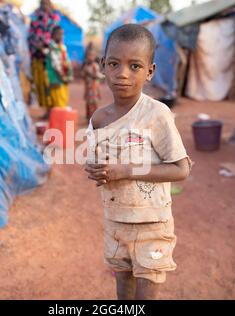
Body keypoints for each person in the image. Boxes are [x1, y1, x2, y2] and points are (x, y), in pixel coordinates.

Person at [85, 24, 193, 300]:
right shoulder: (98, 119)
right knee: (122, 282)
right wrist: (97, 170)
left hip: (152, 223)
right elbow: (99, 163)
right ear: (102, 66)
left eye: (134, 66)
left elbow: (181, 169)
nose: (122, 73)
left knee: (146, 291)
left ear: (150, 72)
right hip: (115, 220)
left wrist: (125, 171)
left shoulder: (156, 114)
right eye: (114, 63)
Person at [27, 0, 60, 116]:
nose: (45, 6)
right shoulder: (36, 18)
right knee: (40, 83)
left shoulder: (54, 18)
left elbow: (57, 35)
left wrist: (46, 45)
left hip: (50, 57)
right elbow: (31, 35)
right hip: (37, 55)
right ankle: (47, 109)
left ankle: (53, 109)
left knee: (50, 81)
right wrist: (37, 46)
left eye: (47, 3)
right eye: (43, 3)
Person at [46, 26, 73, 108]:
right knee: (58, 102)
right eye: (59, 34)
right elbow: (56, 65)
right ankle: (60, 120)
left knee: (62, 100)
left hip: (62, 79)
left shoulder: (61, 47)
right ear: (53, 35)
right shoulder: (53, 48)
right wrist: (63, 77)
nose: (61, 36)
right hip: (56, 78)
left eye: (62, 34)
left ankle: (61, 119)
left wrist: (69, 75)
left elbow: (67, 62)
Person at [81, 43, 105, 121]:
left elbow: (97, 75)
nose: (90, 57)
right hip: (88, 87)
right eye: (88, 56)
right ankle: (88, 116)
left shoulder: (95, 66)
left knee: (93, 102)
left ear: (95, 57)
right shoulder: (86, 66)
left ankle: (93, 117)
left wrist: (102, 76)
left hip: (94, 88)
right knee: (88, 102)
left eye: (91, 55)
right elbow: (83, 75)